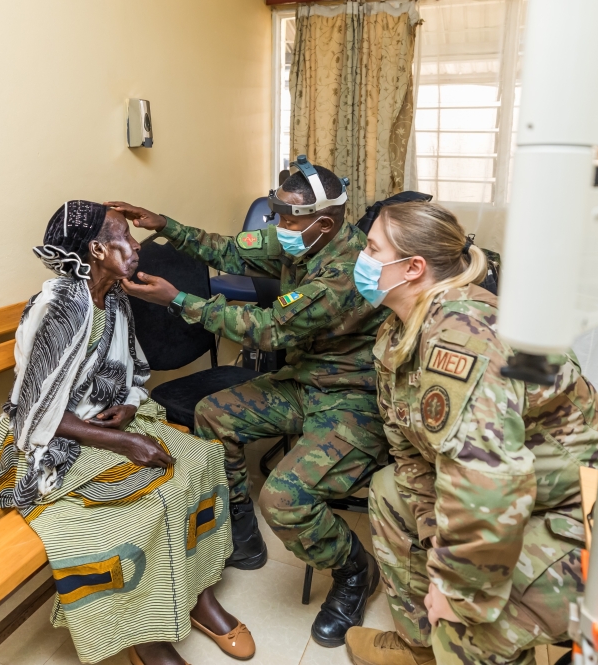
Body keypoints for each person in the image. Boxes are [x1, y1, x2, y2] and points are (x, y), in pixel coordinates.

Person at [109, 159, 389, 647]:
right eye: (277, 214)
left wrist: (179, 300)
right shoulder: (299, 236)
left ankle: (354, 573)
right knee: (212, 414)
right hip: (305, 381)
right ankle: (243, 530)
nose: (279, 228)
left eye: (288, 219)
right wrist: (164, 224)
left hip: (351, 398)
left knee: (284, 500)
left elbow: (269, 328)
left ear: (323, 224)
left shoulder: (345, 274)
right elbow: (228, 250)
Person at [0, 201, 255, 665]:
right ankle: (144, 638)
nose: (135, 247)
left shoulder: (115, 295)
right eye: (124, 238)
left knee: (200, 463)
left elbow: (131, 370)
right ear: (96, 249)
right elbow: (36, 409)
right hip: (46, 437)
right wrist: (128, 442)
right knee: (140, 507)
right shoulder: (61, 305)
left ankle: (200, 597)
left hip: (103, 420)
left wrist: (128, 406)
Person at [343, 202, 598, 665]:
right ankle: (419, 647)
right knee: (388, 490)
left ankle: (456, 644)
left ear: (412, 268)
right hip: (512, 495)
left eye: (371, 248)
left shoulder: (462, 337)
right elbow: (413, 459)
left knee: (466, 628)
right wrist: (433, 543)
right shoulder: (399, 333)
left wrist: (457, 591)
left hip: (580, 516)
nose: (360, 259)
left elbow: (489, 485)